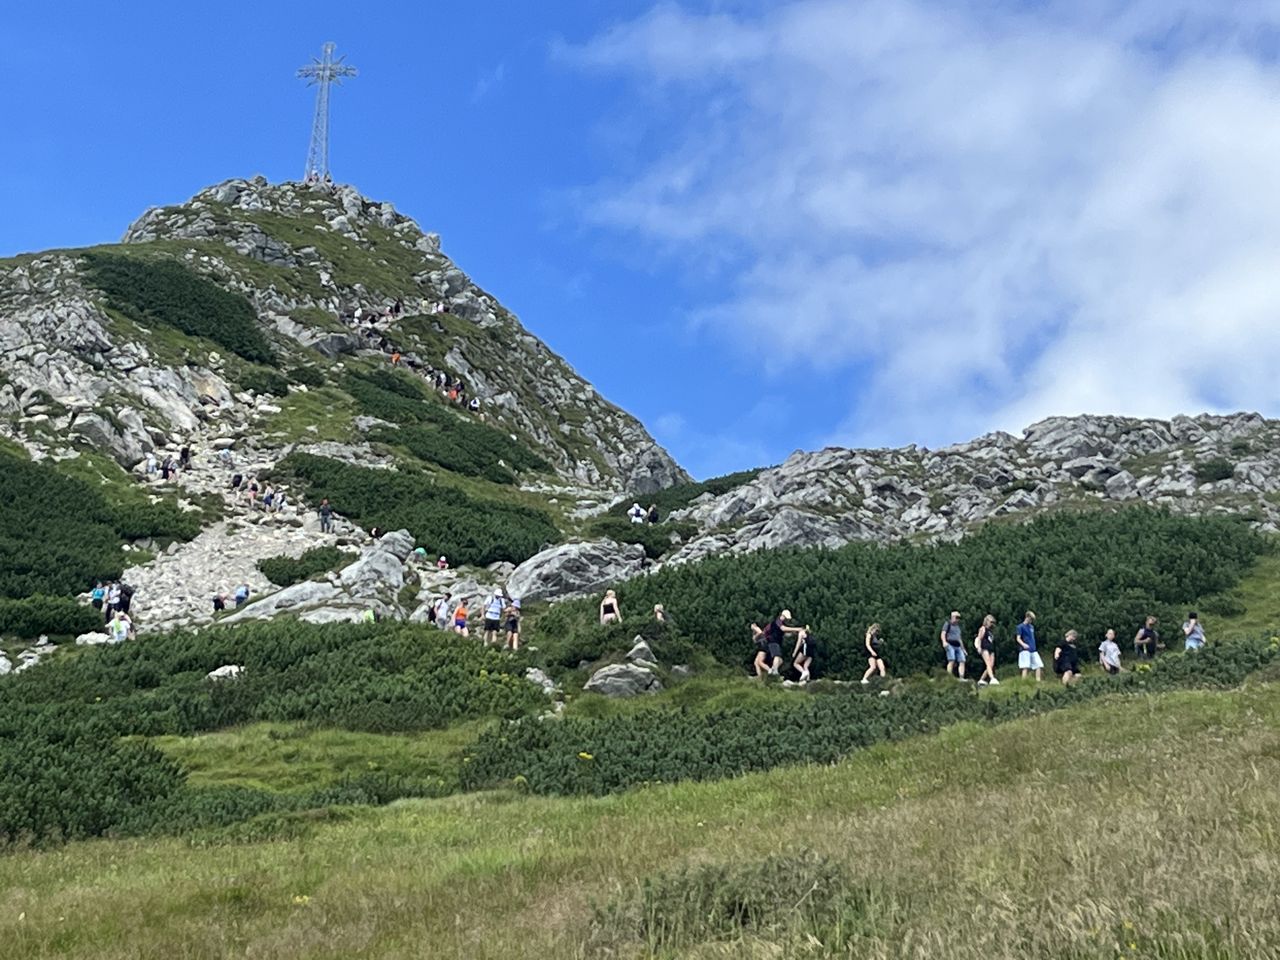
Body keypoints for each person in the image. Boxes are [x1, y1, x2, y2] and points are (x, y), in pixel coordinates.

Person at [763, 609, 803, 675]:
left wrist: (794, 633)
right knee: (776, 656)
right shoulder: (778, 621)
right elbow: (783, 628)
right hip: (773, 641)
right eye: (786, 618)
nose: (786, 620)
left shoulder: (781, 623)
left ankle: (772, 669)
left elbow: (785, 634)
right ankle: (775, 671)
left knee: (780, 660)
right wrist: (797, 628)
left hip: (777, 642)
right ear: (783, 616)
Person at [1017, 611, 1044, 681]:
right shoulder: (1020, 627)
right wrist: (1023, 644)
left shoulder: (1031, 627)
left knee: (1038, 665)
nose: (1031, 621)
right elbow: (1018, 638)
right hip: (1025, 650)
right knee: (1025, 666)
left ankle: (1038, 681)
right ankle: (1024, 682)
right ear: (1027, 617)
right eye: (1030, 619)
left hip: (1033, 649)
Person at [941, 611, 967, 680]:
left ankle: (961, 677)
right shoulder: (947, 624)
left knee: (962, 660)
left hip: (958, 645)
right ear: (952, 617)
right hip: (950, 644)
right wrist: (944, 642)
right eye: (957, 617)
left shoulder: (958, 627)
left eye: (959, 618)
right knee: (951, 660)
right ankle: (949, 677)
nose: (958, 619)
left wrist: (963, 649)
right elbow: (943, 633)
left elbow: (959, 638)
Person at [975, 614, 999, 686]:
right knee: (988, 663)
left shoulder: (991, 631)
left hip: (991, 648)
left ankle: (981, 679)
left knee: (991, 665)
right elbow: (979, 638)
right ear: (987, 621)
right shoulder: (983, 628)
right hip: (984, 647)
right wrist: (979, 647)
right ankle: (992, 678)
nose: (992, 624)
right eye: (991, 622)